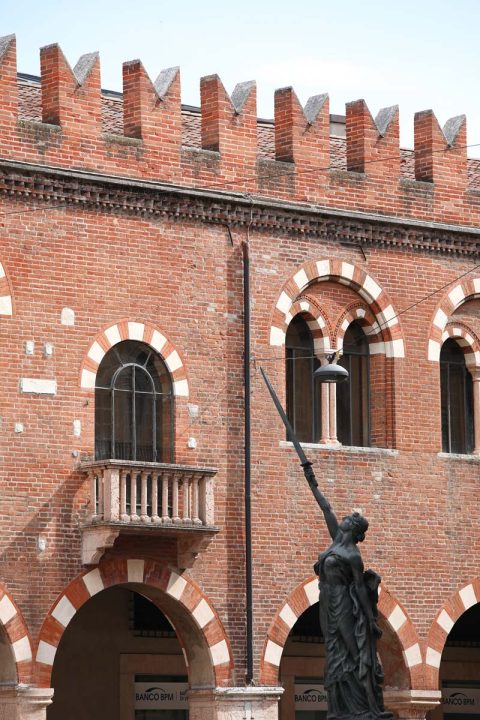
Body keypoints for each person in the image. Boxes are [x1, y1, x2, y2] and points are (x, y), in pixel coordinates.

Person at [303, 462, 393, 720]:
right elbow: (326, 507)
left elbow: (360, 590)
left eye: (351, 520)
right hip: (326, 600)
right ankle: (340, 706)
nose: (345, 519)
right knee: (333, 650)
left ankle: (366, 704)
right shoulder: (335, 539)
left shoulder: (353, 556)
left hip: (342, 603)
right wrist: (312, 481)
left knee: (352, 650)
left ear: (355, 531)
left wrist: (371, 620)